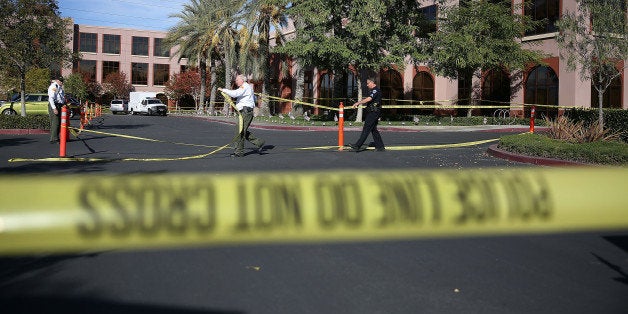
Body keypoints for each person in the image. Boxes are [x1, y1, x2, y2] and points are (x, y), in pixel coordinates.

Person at [218, 74, 265, 157]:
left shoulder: (244, 87)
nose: (236, 82)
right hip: (244, 112)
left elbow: (235, 94)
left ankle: (239, 152)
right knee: (241, 130)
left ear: (242, 80)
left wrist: (224, 90)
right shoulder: (245, 87)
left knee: (240, 131)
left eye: (237, 80)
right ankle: (259, 142)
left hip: (246, 112)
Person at [348, 77, 385, 152]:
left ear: (372, 82)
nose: (367, 85)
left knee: (366, 128)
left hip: (373, 113)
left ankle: (357, 145)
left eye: (368, 83)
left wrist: (358, 103)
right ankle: (380, 146)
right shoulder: (374, 90)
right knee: (373, 129)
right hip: (373, 112)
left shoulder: (375, 90)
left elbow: (369, 99)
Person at [47, 77, 65, 144]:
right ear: (57, 80)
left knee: (58, 122)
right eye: (60, 81)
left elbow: (61, 97)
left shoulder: (59, 87)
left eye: (62, 81)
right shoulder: (53, 86)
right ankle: (54, 139)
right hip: (54, 105)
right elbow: (51, 98)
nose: (62, 82)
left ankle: (55, 137)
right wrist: (54, 108)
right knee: (55, 122)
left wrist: (63, 103)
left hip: (59, 105)